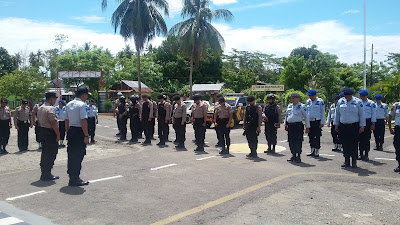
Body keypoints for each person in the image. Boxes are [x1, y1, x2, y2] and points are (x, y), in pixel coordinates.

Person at [65, 86, 90, 186]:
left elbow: (66, 121)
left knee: (71, 155)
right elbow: (83, 121)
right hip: (79, 131)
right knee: (79, 154)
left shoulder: (69, 104)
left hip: (71, 130)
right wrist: (86, 135)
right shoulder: (82, 105)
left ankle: (72, 176)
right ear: (83, 95)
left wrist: (68, 132)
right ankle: (75, 178)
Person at [334, 88, 365, 169]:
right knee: (344, 143)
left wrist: (362, 126)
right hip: (343, 126)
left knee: (354, 144)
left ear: (351, 95)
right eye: (345, 96)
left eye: (348, 96)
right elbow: (337, 114)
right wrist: (336, 125)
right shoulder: (340, 101)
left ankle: (354, 161)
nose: (347, 97)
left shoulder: (358, 102)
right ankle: (346, 160)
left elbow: (362, 115)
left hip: (354, 126)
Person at [37, 92, 60, 181]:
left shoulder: (40, 108)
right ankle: (47, 173)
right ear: (51, 99)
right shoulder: (50, 108)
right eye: (54, 99)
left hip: (42, 130)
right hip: (50, 132)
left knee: (45, 152)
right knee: (51, 152)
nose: (55, 101)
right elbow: (53, 122)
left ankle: (44, 172)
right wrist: (58, 134)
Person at [284, 93, 310, 163]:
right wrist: (285, 124)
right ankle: (293, 155)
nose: (292, 100)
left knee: (298, 141)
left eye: (294, 98)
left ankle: (298, 156)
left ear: (298, 99)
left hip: (298, 126)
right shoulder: (289, 106)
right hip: (290, 126)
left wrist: (307, 127)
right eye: (292, 98)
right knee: (291, 141)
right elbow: (286, 116)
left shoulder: (302, 106)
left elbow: (306, 117)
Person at [305, 89, 325, 157]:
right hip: (310, 121)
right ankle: (312, 150)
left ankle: (317, 150)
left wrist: (322, 122)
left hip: (317, 121)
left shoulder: (320, 101)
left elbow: (322, 112)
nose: (310, 97)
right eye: (309, 96)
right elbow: (307, 113)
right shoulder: (308, 102)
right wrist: (306, 123)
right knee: (311, 136)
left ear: (315, 95)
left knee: (317, 136)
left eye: (312, 96)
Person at [358, 89, 376, 161]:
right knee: (360, 139)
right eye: (361, 96)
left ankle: (366, 154)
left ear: (366, 96)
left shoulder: (371, 103)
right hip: (360, 121)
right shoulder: (358, 102)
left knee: (366, 139)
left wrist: (373, 124)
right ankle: (361, 154)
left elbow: (373, 114)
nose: (362, 97)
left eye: (363, 96)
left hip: (368, 121)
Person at [388, 101, 400, 173]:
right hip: (398, 129)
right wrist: (390, 128)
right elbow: (390, 116)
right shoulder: (396, 105)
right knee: (397, 146)